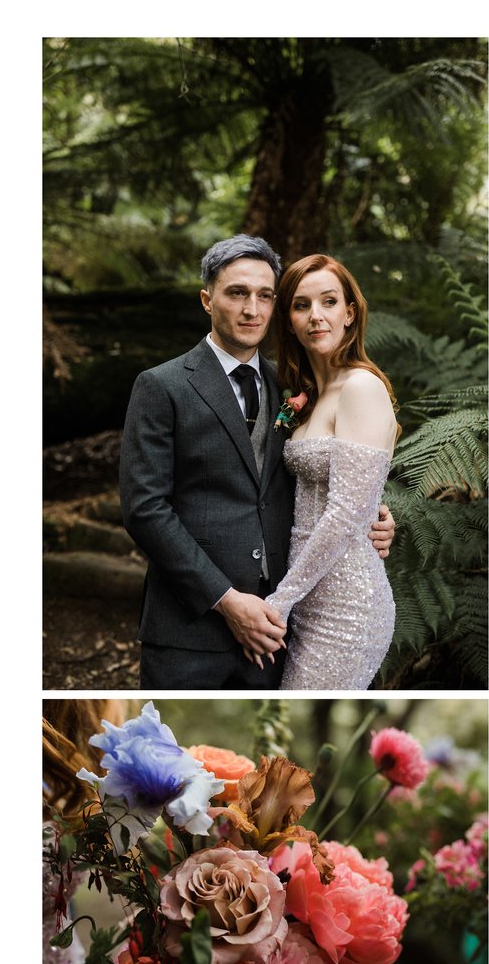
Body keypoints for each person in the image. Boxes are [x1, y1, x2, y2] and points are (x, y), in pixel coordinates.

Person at [119, 236, 392, 689]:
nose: (252, 309)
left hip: (274, 633)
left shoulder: (291, 386)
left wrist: (374, 512)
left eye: (265, 296)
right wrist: (227, 601)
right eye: (236, 293)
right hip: (190, 629)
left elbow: (320, 479)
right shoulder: (160, 386)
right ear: (208, 300)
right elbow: (144, 509)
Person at [262, 253, 398, 690]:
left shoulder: (361, 386)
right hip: (306, 594)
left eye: (328, 302)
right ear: (289, 320)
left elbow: (343, 515)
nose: (316, 316)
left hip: (346, 602)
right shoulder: (307, 397)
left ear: (350, 313)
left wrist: (279, 601)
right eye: (301, 305)